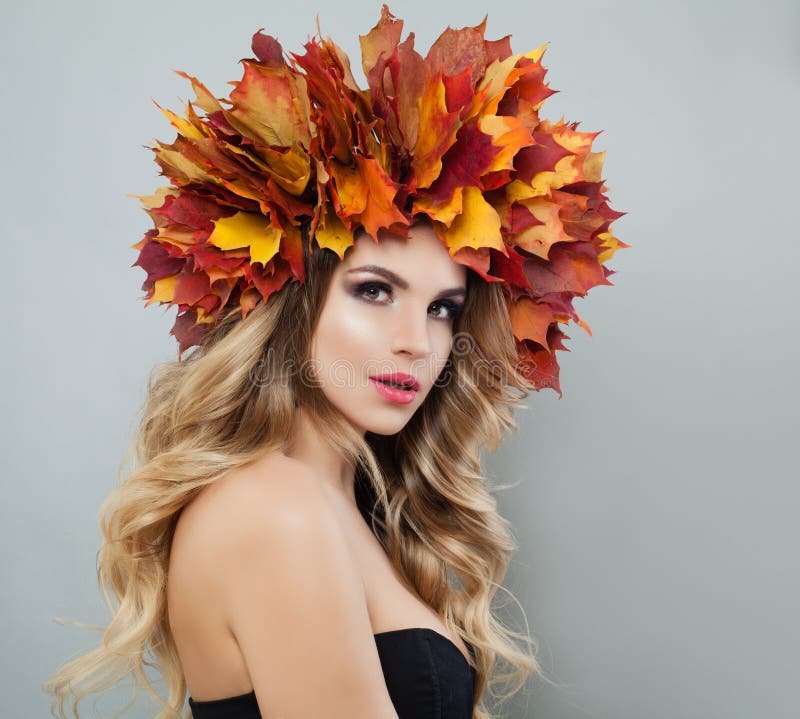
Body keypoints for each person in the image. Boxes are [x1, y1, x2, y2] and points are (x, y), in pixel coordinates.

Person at [44, 5, 626, 719]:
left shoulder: (339, 505)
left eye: (443, 308)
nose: (418, 338)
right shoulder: (277, 509)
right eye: (375, 291)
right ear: (293, 303)